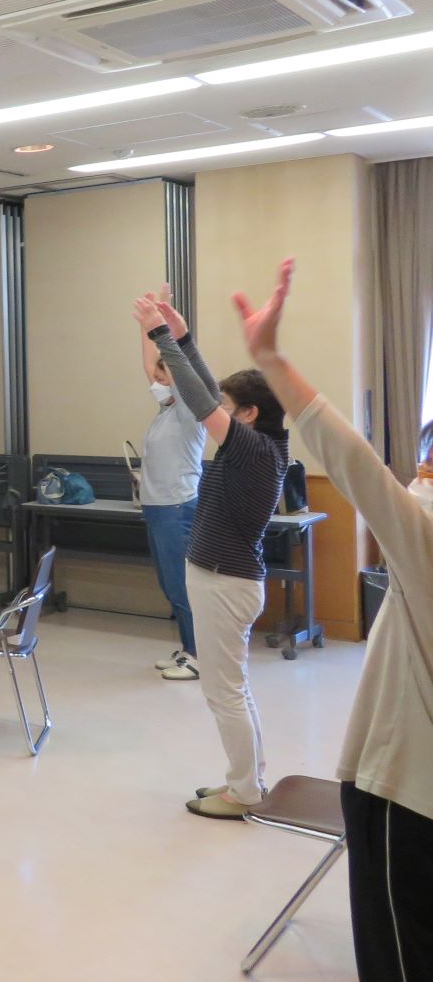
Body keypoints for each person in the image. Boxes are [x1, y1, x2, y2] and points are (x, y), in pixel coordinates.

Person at [232, 259, 430, 982]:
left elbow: (360, 470)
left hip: (405, 795)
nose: (420, 473)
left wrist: (273, 360)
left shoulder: (426, 548)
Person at [133, 291, 289, 820]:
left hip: (225, 582)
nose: (217, 413)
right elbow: (205, 393)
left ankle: (244, 792)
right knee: (232, 691)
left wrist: (161, 338)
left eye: (228, 407)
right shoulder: (261, 444)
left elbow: (199, 401)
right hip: (224, 579)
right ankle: (247, 781)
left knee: (224, 694)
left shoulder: (253, 449)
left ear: (250, 414)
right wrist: (182, 337)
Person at [136, 284, 207, 681]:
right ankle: (187, 648)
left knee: (182, 585)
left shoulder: (189, 412)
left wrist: (164, 329)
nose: (156, 379)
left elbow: (177, 371)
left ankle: (199, 655)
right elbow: (151, 366)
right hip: (157, 507)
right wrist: (146, 325)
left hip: (177, 507)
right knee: (170, 584)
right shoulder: (166, 410)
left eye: (163, 376)